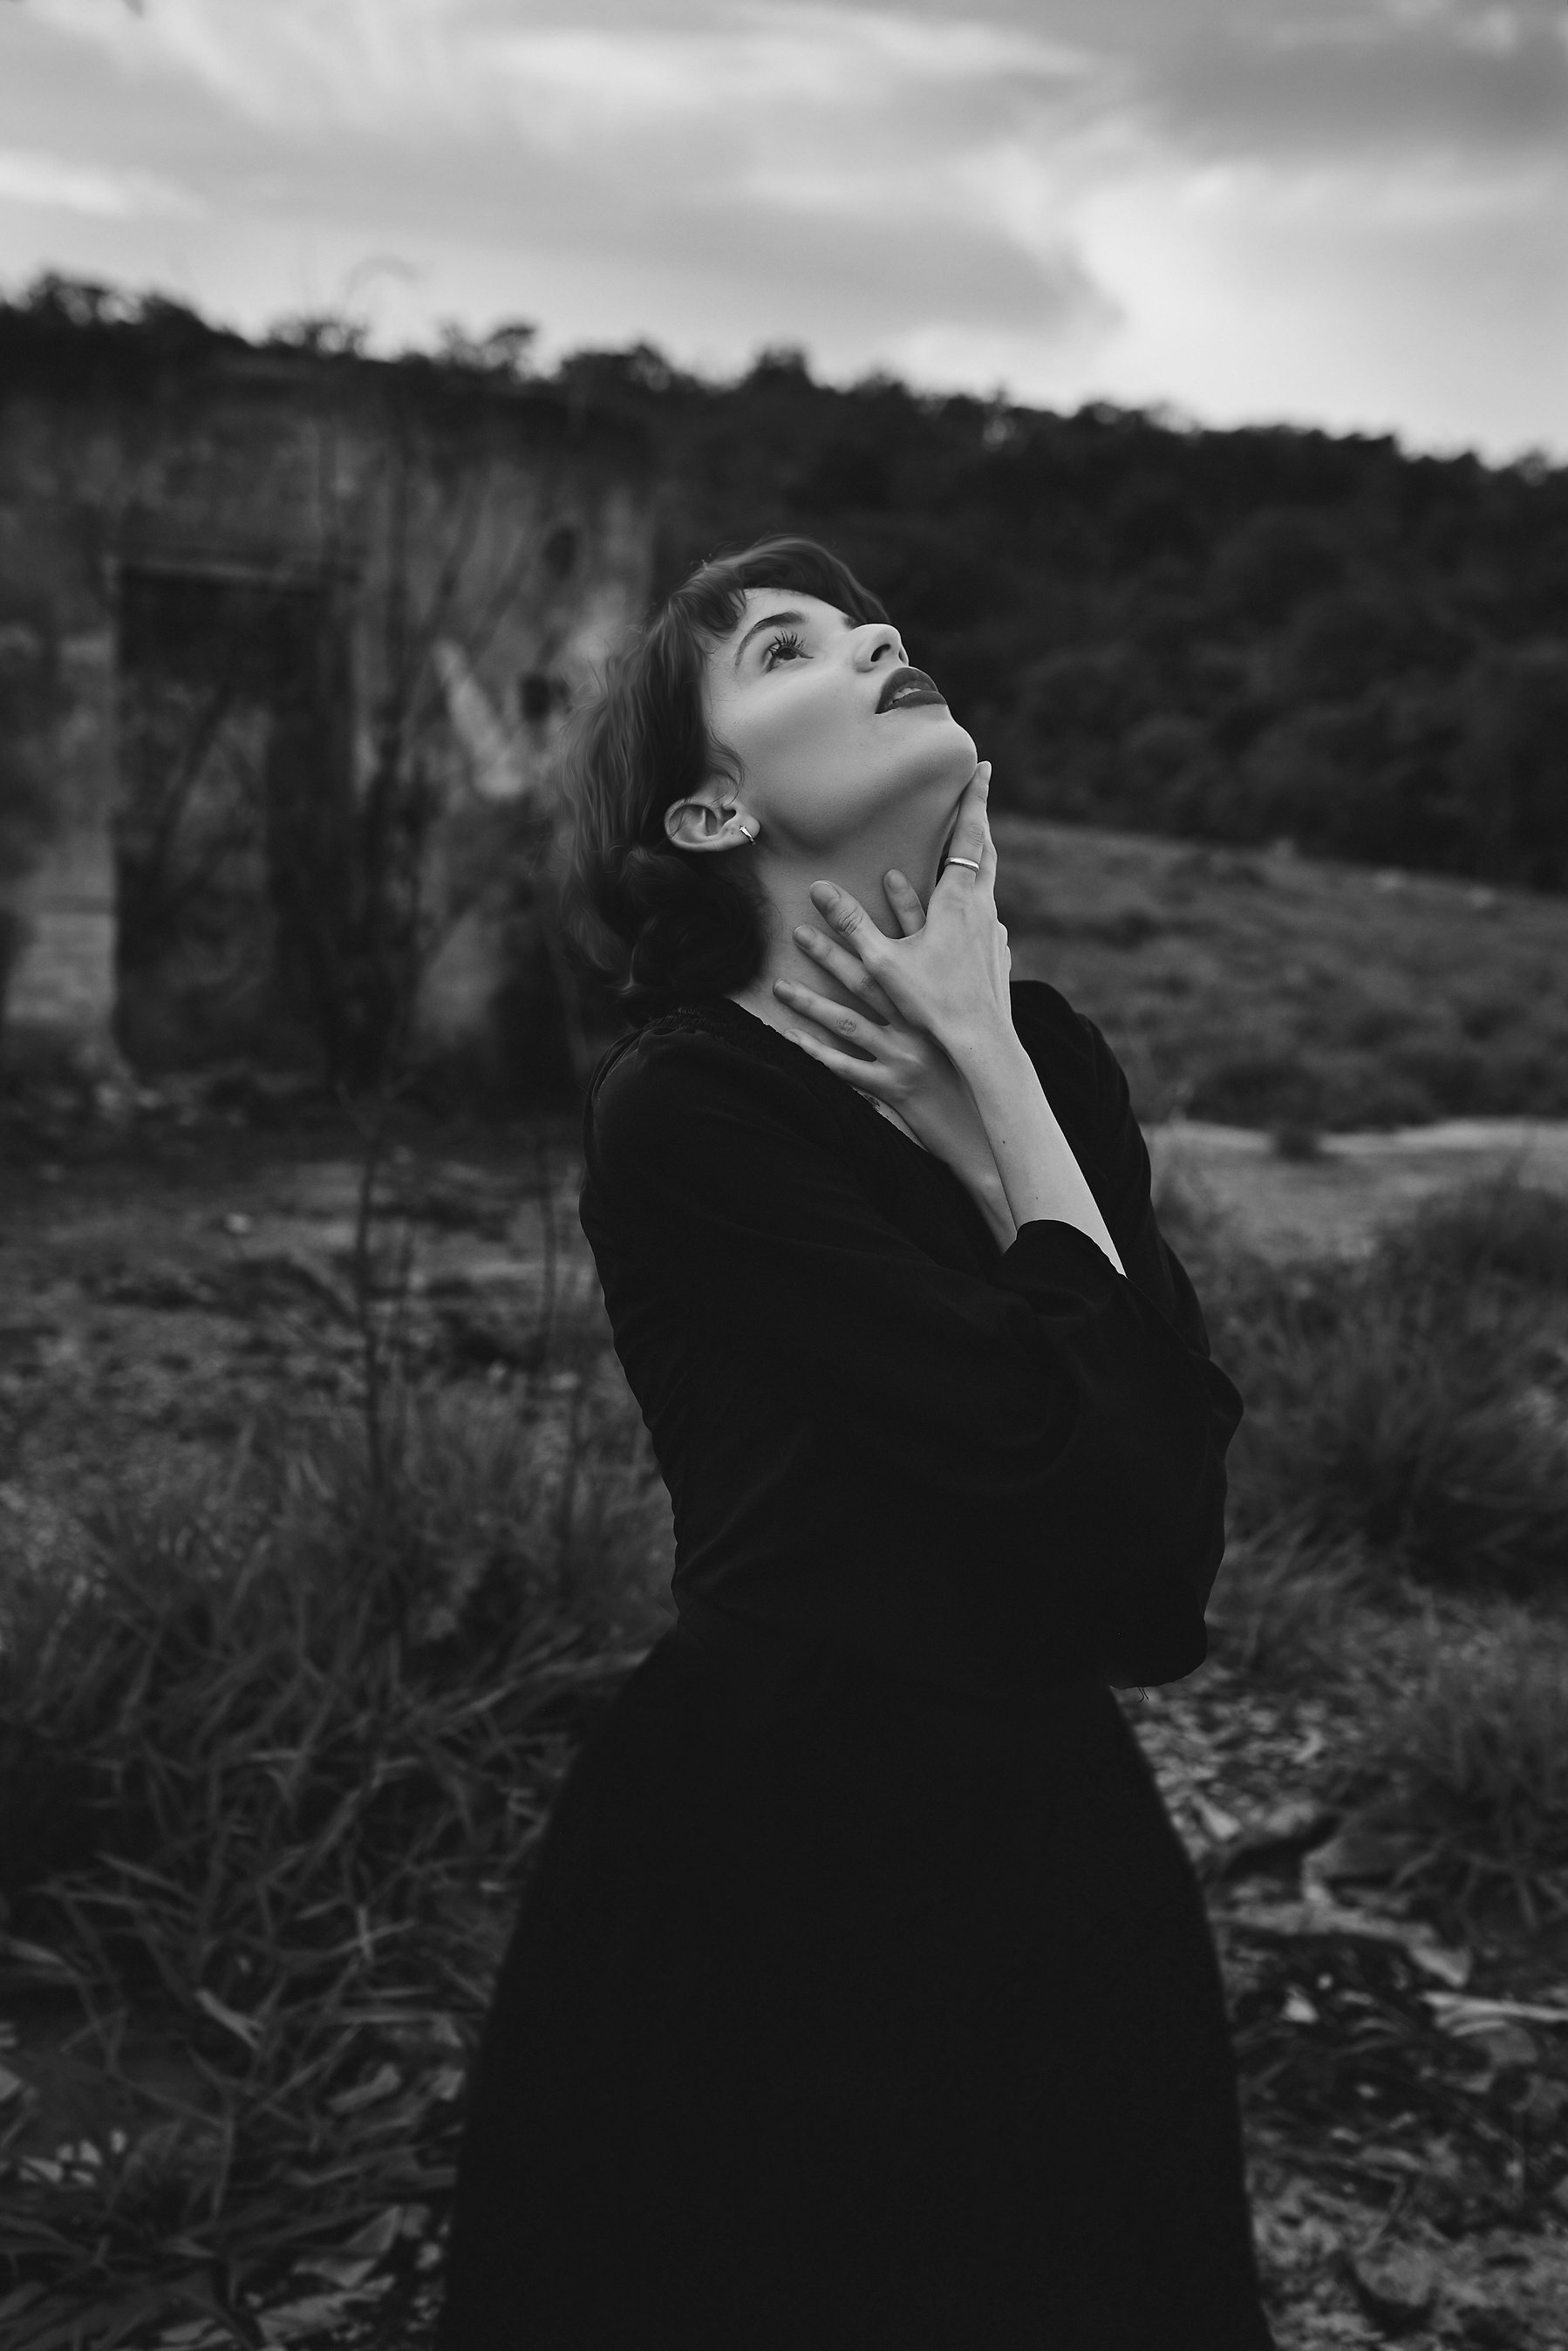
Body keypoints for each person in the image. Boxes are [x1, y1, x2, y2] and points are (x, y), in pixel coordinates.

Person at [434, 537, 1276, 2349]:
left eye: (872, 618)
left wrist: (986, 1077)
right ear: (717, 805)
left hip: (1053, 1850)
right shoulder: (686, 1111)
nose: (881, 636)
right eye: (792, 646)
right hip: (769, 1865)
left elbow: (1151, 1558)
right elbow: (1081, 1465)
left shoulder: (1044, 1052)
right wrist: (999, 1134)